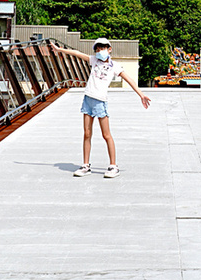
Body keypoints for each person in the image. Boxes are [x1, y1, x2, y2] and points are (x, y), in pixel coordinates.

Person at [54, 38, 150, 178]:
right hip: (88, 99)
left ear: (109, 49)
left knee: (106, 135)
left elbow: (129, 80)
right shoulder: (94, 61)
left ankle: (113, 166)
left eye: (103, 48)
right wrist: (59, 50)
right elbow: (76, 53)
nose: (100, 51)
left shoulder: (114, 66)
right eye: (97, 49)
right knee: (87, 134)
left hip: (100, 102)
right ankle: (85, 165)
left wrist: (141, 95)